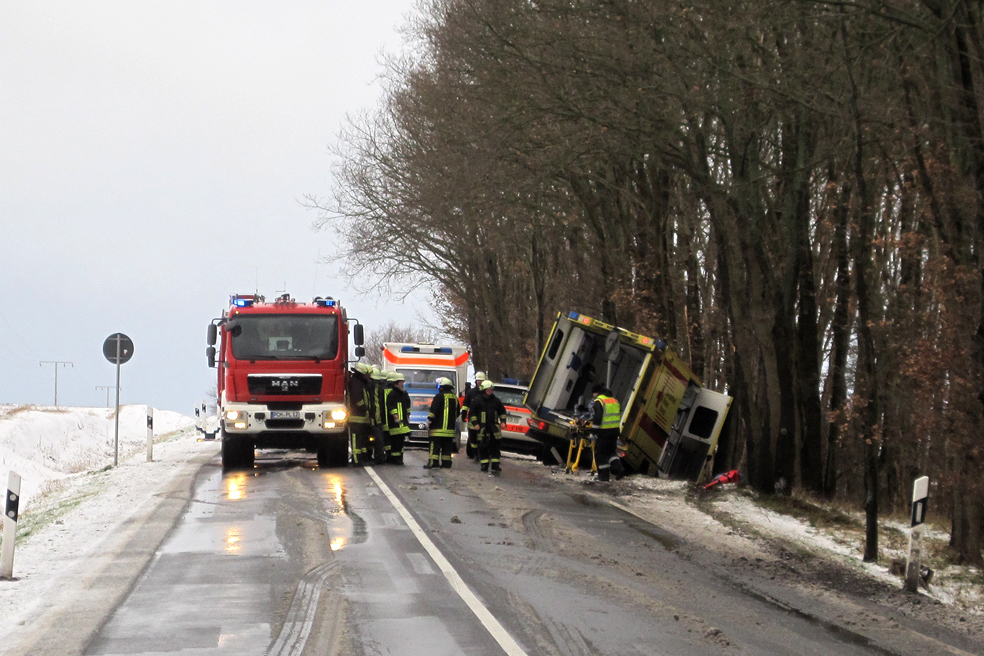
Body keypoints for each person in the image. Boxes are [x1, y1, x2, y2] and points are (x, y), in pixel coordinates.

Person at [469, 379, 506, 473]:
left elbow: (502, 411)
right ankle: (484, 465)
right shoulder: (477, 401)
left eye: (491, 389)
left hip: (493, 428)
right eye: (488, 389)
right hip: (482, 428)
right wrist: (475, 424)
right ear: (483, 390)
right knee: (483, 447)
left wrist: (503, 421)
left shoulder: (496, 401)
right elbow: (472, 413)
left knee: (495, 447)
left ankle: (495, 465)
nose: (490, 391)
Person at [589, 384, 624, 482]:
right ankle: (619, 468)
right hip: (614, 432)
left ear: (597, 393)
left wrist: (593, 432)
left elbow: (598, 418)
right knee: (610, 452)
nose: (593, 396)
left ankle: (603, 477)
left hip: (604, 432)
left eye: (593, 394)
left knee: (600, 454)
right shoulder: (614, 401)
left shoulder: (599, 401)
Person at [425, 377, 460, 469]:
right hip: (450, 430)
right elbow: (457, 412)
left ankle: (433, 463)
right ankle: (446, 463)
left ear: (441, 387)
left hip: (437, 429)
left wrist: (428, 421)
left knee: (434, 446)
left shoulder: (439, 396)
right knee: (447, 447)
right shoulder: (455, 398)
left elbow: (433, 411)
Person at [347, 362, 373, 466]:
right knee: (356, 438)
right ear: (362, 373)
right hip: (355, 416)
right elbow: (357, 399)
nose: (369, 376)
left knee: (361, 439)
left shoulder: (361, 382)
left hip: (362, 417)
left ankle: (361, 458)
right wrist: (365, 408)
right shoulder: (355, 383)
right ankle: (356, 459)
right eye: (367, 374)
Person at [385, 371, 411, 464]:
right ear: (396, 383)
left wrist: (408, 415)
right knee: (395, 442)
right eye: (401, 382)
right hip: (395, 423)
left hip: (403, 422)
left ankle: (399, 458)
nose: (402, 384)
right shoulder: (392, 394)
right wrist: (396, 417)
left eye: (403, 382)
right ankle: (395, 459)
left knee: (401, 442)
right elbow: (391, 407)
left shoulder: (404, 393)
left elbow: (408, 405)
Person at [460, 371, 487, 459]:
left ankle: (481, 453)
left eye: (481, 380)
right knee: (472, 437)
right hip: (473, 418)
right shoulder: (471, 392)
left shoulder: (487, 393)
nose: (479, 382)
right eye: (478, 380)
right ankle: (474, 453)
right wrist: (464, 415)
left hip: (484, 419)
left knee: (483, 437)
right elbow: (465, 405)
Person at [370, 366, 388, 464]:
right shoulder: (377, 388)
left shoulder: (377, 388)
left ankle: (378, 457)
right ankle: (378, 457)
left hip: (376, 418)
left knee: (378, 439)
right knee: (378, 439)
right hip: (376, 418)